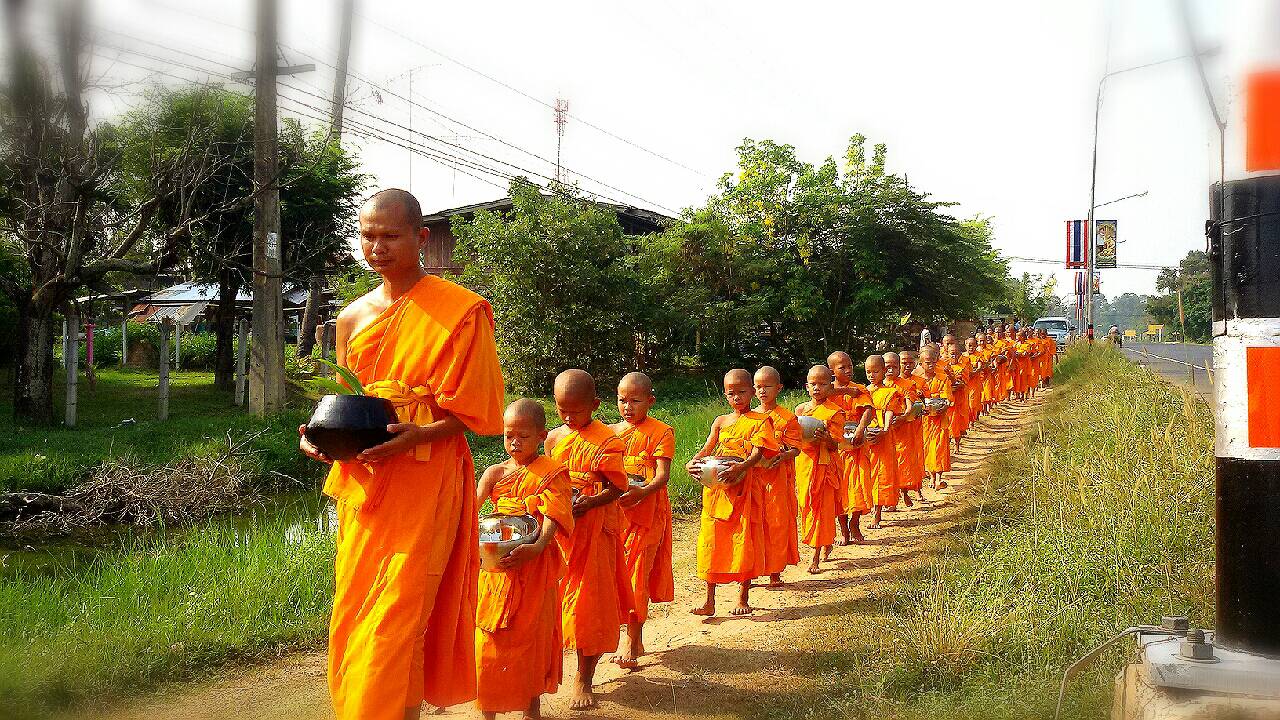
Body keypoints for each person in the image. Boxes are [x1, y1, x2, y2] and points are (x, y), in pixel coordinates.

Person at [299, 189, 505, 720]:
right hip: (366, 482)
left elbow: (477, 413)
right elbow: (350, 401)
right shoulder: (350, 319)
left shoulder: (459, 311)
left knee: (402, 610)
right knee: (358, 605)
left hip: (427, 473)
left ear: (421, 237)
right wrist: (325, 437)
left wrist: (420, 435)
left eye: (391, 236)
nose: (378, 247)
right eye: (368, 235)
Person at [475, 400, 573, 720]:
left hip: (533, 564)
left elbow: (553, 516)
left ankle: (531, 709)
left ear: (542, 436)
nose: (515, 443)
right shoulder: (495, 473)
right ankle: (489, 708)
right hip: (497, 566)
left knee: (531, 638)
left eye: (524, 436)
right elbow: (471, 512)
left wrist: (538, 546)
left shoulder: (552, 472)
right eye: (509, 435)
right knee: (489, 638)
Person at [546, 369, 630, 710]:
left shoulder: (607, 439)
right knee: (556, 601)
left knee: (590, 606)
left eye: (575, 410)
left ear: (594, 405)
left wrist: (589, 501)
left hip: (595, 531)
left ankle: (584, 676)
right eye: (561, 409)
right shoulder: (553, 439)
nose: (568, 417)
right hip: (561, 531)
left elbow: (619, 486)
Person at [687, 369, 778, 617]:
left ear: (751, 392)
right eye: (731, 393)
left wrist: (742, 467)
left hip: (745, 486)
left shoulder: (760, 421)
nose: (736, 398)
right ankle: (709, 600)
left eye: (741, 392)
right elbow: (708, 447)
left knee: (744, 540)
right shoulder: (721, 421)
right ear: (725, 394)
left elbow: (759, 452)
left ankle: (742, 596)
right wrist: (692, 463)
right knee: (711, 541)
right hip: (718, 489)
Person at [609, 372, 675, 670]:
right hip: (617, 513)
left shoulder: (661, 431)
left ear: (650, 401)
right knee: (617, 575)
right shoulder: (610, 433)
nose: (627, 406)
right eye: (623, 400)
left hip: (648, 512)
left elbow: (662, 476)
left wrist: (642, 492)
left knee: (637, 574)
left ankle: (629, 638)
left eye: (635, 400)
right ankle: (634, 635)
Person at [794, 365, 851, 571]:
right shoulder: (800, 410)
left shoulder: (835, 412)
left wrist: (826, 439)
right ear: (807, 386)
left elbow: (837, 444)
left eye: (822, 384)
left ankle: (815, 555)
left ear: (831, 387)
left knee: (822, 508)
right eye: (813, 384)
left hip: (825, 464)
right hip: (805, 464)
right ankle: (825, 541)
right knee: (807, 505)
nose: (817, 388)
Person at [753, 366, 802, 586]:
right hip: (754, 478)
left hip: (778, 477)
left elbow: (795, 448)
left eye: (767, 386)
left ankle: (775, 570)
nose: (762, 391)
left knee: (776, 522)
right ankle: (752, 568)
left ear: (779, 388)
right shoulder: (750, 417)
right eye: (758, 387)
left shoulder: (787, 418)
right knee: (755, 523)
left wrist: (783, 455)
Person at [826, 351, 869, 545]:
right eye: (842, 367)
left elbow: (868, 409)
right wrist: (843, 391)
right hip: (836, 449)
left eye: (850, 366)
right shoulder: (827, 391)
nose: (848, 370)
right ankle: (843, 529)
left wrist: (861, 428)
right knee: (839, 490)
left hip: (857, 444)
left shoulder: (859, 388)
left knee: (859, 486)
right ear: (831, 371)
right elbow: (821, 395)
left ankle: (855, 524)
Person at [863, 355, 904, 529]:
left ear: (884, 371)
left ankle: (877, 514)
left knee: (882, 474)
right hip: (866, 438)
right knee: (868, 474)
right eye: (868, 372)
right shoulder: (864, 392)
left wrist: (885, 430)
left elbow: (889, 412)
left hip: (883, 437)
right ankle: (869, 507)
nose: (872, 375)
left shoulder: (889, 392)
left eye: (875, 371)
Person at [884, 352, 925, 507]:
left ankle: (905, 491)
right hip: (886, 432)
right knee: (888, 466)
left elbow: (913, 408)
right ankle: (891, 500)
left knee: (903, 463)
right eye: (887, 367)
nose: (891, 370)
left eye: (894, 367)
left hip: (903, 430)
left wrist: (902, 418)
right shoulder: (879, 386)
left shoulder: (907, 385)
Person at [917, 344, 953, 491]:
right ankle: (931, 476)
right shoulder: (917, 380)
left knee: (939, 447)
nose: (931, 365)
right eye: (927, 362)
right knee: (927, 448)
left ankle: (938, 477)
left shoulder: (943, 378)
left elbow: (948, 399)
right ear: (921, 363)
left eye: (933, 362)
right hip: (925, 420)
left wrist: (942, 406)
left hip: (940, 418)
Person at [898, 350, 930, 504]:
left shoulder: (919, 381)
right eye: (904, 362)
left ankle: (917, 489)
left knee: (916, 457)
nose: (907, 365)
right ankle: (901, 492)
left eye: (910, 362)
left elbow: (927, 404)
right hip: (897, 428)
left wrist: (922, 399)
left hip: (915, 425)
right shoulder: (889, 383)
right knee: (899, 460)